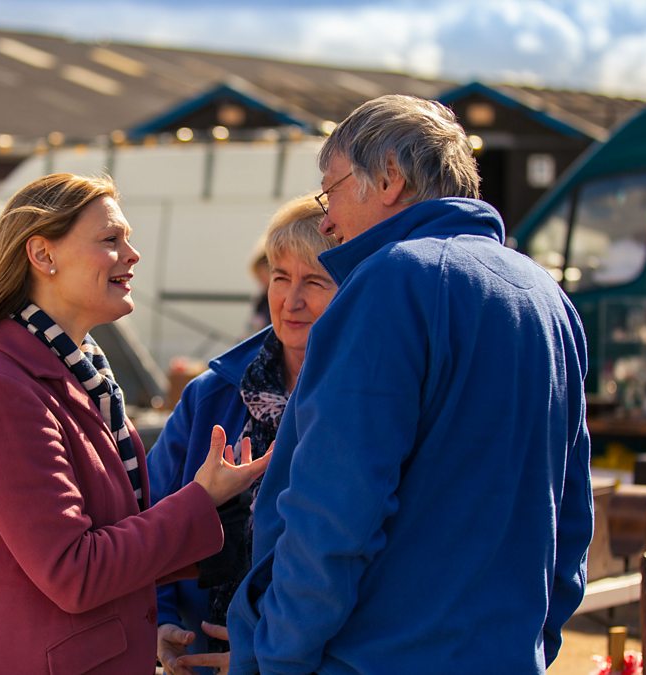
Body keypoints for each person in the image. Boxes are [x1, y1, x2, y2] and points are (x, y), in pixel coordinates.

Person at [226, 95, 593, 673]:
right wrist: (532, 643)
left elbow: (334, 511)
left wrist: (277, 656)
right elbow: (570, 517)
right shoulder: (548, 298)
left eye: (330, 191)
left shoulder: (390, 282)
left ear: (389, 177)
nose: (326, 221)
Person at [0, 173, 272, 674]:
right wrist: (199, 500)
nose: (132, 255)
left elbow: (113, 537)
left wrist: (219, 524)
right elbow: (74, 572)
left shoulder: (81, 374)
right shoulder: (4, 392)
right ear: (43, 255)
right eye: (110, 239)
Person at [148, 196, 336, 674]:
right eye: (280, 277)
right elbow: (149, 512)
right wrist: (160, 618)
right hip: (197, 655)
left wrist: (268, 651)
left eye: (315, 281)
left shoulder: (364, 402)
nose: (291, 300)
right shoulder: (210, 394)